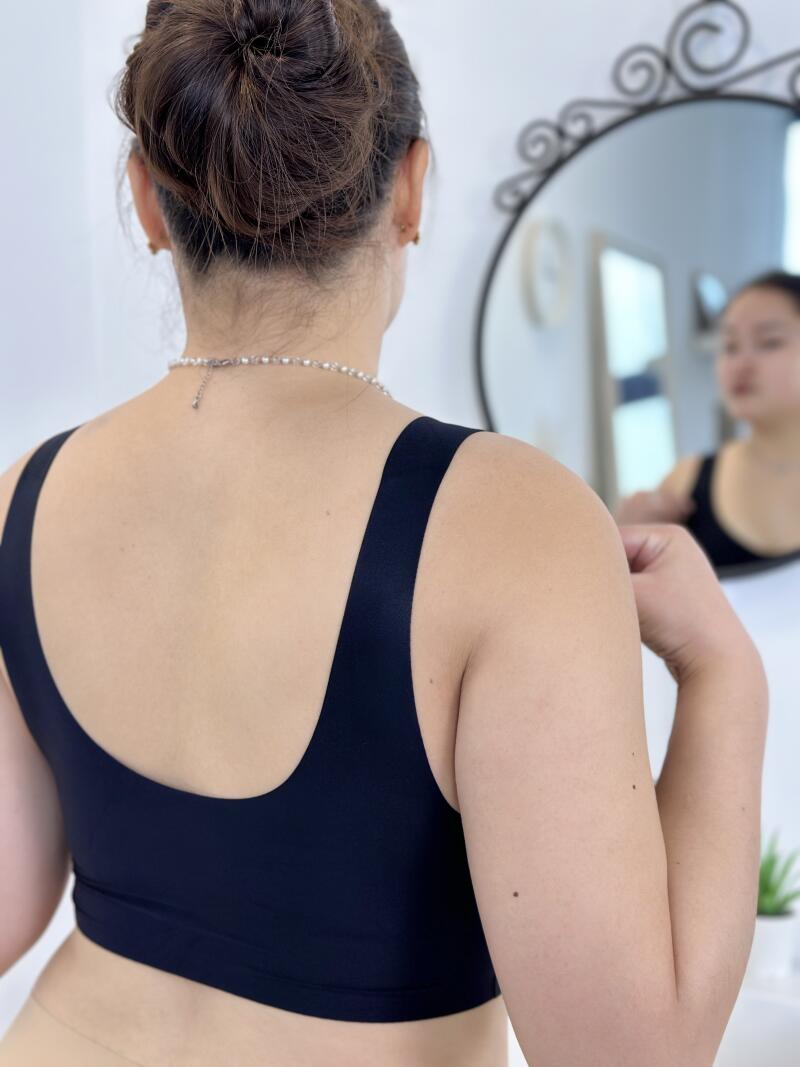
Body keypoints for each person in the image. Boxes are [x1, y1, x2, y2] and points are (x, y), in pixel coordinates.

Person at [0, 2, 768, 1065]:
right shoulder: (513, 518)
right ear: (409, 188)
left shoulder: (21, 495)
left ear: (147, 197)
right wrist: (723, 671)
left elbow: (6, 899)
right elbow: (627, 1051)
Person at [616, 270, 800, 576]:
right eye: (729, 346)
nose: (741, 363)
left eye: (769, 342)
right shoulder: (685, 481)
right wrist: (620, 540)